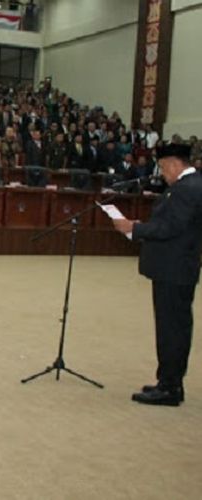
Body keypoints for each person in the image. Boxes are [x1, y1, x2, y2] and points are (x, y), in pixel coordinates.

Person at [112, 143, 202, 406]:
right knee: (173, 326)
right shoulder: (191, 186)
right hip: (177, 267)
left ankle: (170, 387)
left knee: (171, 329)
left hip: (174, 269)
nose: (162, 174)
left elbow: (170, 228)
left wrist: (134, 228)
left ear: (174, 164)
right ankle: (168, 382)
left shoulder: (187, 189)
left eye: (163, 168)